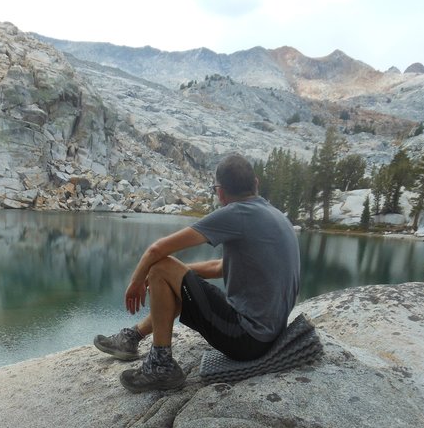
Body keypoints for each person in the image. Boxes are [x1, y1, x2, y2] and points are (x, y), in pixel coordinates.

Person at [94, 153, 300, 392]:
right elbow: (219, 267)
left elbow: (156, 250)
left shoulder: (238, 213)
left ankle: (161, 367)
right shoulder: (275, 215)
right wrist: (177, 278)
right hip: (267, 335)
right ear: (255, 183)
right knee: (169, 275)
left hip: (247, 338)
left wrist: (137, 281)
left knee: (160, 266)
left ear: (220, 193)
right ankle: (132, 337)